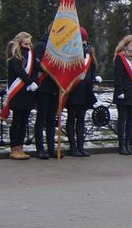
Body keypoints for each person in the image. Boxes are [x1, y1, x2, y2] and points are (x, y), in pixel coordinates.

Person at [64, 27, 101, 157]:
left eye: (85, 40)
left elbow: (92, 67)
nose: (84, 42)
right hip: (74, 89)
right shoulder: (71, 52)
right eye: (81, 40)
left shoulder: (89, 53)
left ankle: (81, 145)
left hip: (85, 90)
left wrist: (95, 75)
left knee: (81, 119)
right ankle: (73, 147)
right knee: (71, 118)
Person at [2, 32, 38, 160]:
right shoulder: (15, 53)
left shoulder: (31, 53)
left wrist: (33, 82)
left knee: (24, 120)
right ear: (19, 42)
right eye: (25, 44)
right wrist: (29, 82)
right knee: (17, 120)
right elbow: (18, 70)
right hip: (18, 90)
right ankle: (14, 147)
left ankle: (20, 146)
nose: (28, 46)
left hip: (28, 91)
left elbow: (34, 69)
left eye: (29, 43)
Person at [113, 35, 132, 155]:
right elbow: (118, 76)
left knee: (130, 120)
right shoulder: (121, 57)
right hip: (124, 93)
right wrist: (120, 91)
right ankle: (121, 146)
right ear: (126, 45)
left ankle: (127, 144)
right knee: (122, 120)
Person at [33, 32, 60, 159]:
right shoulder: (41, 46)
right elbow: (37, 64)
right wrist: (53, 67)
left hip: (56, 86)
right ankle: (40, 149)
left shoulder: (61, 46)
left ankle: (51, 148)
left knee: (52, 119)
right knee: (41, 118)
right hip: (43, 86)